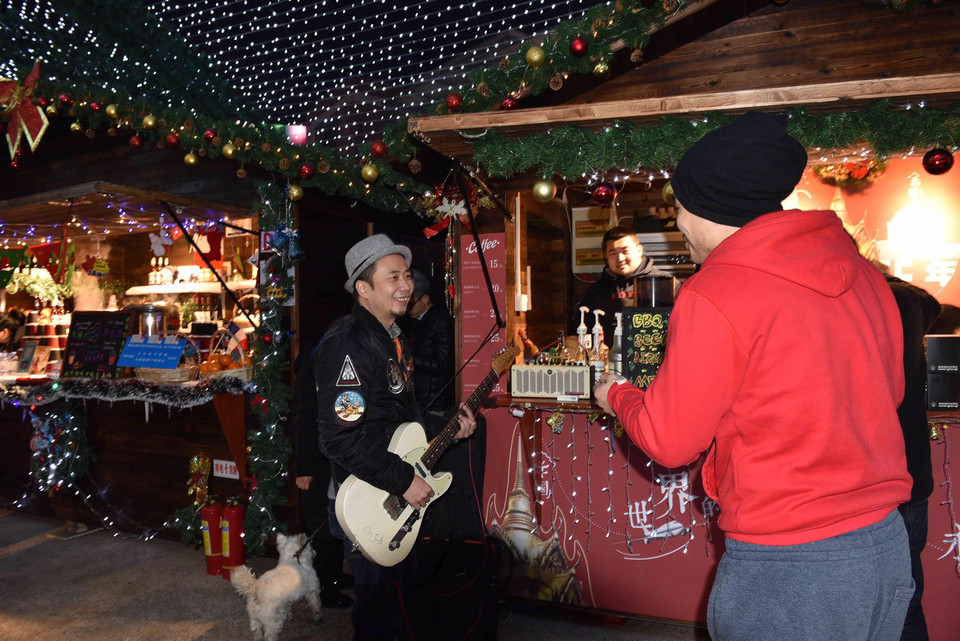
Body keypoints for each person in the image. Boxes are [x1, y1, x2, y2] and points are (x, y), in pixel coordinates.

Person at [593, 111, 914, 641]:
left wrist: (618, 396)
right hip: (882, 547)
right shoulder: (863, 274)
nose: (676, 223)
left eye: (679, 208)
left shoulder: (716, 291)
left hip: (789, 561)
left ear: (710, 207)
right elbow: (891, 393)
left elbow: (671, 441)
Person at [315, 233, 476, 641]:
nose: (405, 285)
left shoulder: (396, 337)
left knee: (405, 606)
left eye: (406, 275)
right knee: (380, 617)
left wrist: (447, 429)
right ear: (363, 288)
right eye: (392, 277)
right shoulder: (348, 345)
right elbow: (340, 438)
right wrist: (404, 481)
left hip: (394, 491)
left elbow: (401, 421)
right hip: (368, 499)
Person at [882, 273, 940, 641]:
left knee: (886, 605)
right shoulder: (910, 305)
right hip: (912, 481)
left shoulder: (860, 304)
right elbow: (935, 306)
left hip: (877, 487)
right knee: (905, 601)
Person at [292, 341, 353, 609]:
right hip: (314, 466)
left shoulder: (333, 365)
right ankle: (322, 588)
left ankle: (335, 577)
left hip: (329, 460)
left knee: (336, 517)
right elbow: (303, 421)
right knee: (321, 529)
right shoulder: (311, 369)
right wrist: (303, 470)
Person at [575, 226, 671, 346]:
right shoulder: (596, 291)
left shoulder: (664, 283)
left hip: (654, 361)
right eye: (613, 253)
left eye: (625, 251)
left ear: (639, 250)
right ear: (605, 256)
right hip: (608, 362)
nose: (620, 258)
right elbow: (580, 333)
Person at [404, 269, 455, 414]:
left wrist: (409, 360)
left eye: (411, 303)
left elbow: (442, 363)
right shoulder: (418, 320)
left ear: (425, 299)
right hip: (421, 400)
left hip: (434, 402)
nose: (407, 308)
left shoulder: (440, 320)